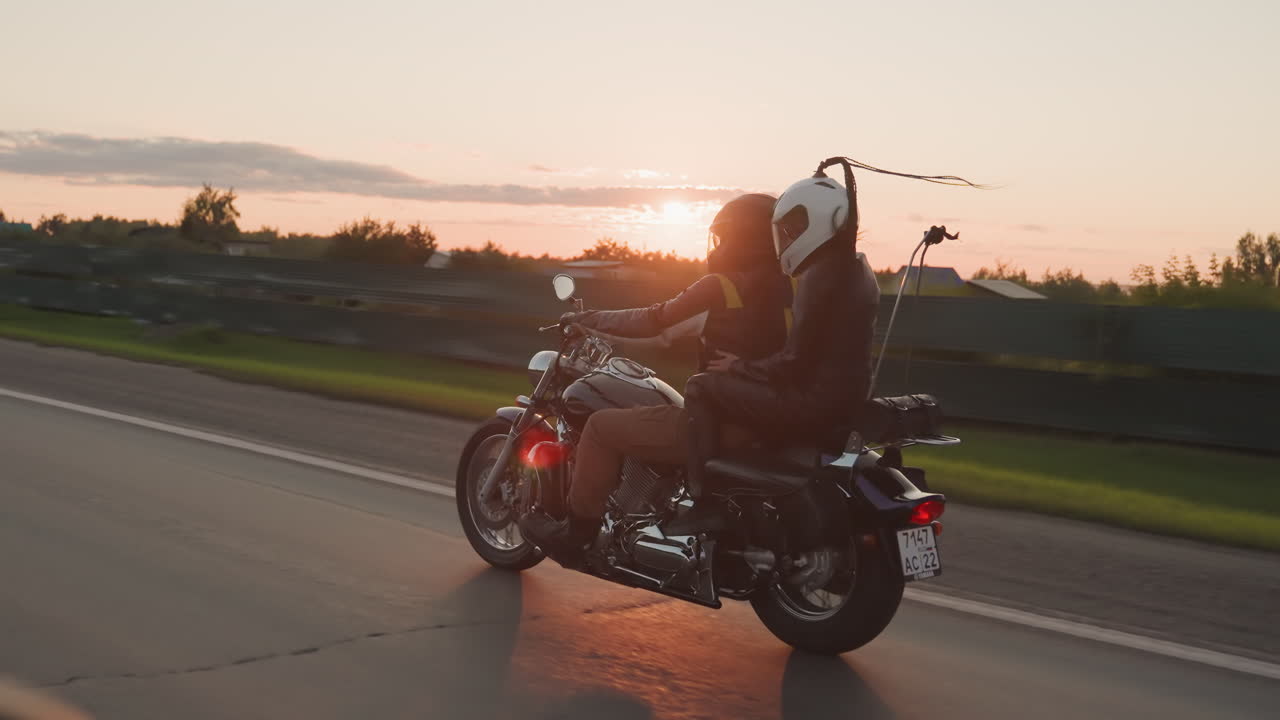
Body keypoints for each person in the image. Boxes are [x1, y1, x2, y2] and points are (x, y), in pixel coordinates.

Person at [518, 193, 792, 564]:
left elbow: (653, 320)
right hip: (772, 419)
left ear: (743, 239)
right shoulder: (792, 292)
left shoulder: (722, 287)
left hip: (720, 421)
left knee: (600, 427)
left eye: (726, 237)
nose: (720, 246)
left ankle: (576, 535)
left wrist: (590, 318)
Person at [685, 172, 881, 491]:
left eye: (794, 228)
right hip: (848, 401)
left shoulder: (816, 278)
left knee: (700, 386)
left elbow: (793, 361)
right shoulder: (859, 268)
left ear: (817, 221)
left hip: (811, 405)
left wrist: (737, 366)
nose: (788, 238)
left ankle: (701, 496)